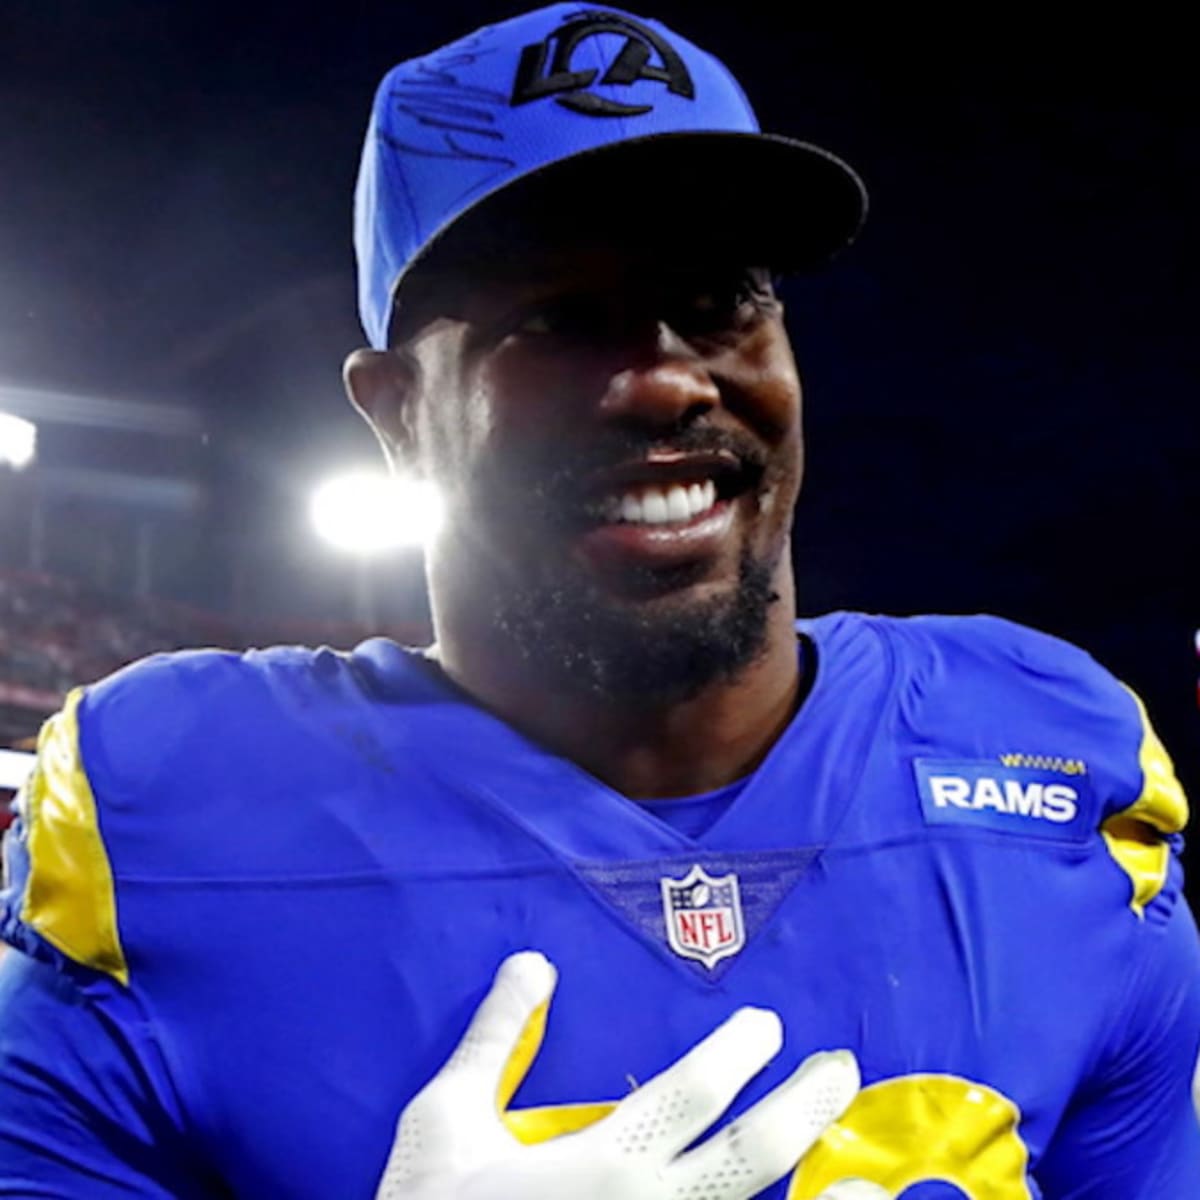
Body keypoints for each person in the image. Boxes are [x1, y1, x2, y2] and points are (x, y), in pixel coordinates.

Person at [1, 5, 1198, 1197]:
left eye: (722, 296)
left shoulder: (1049, 760)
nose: (669, 377)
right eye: (558, 320)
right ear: (399, 414)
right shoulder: (166, 817)